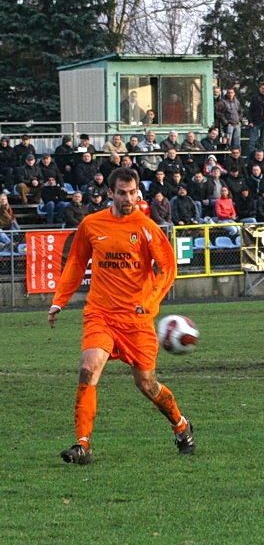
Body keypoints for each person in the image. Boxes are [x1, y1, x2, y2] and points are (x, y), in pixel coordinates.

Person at [48, 167, 195, 464]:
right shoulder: (91, 224)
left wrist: (149, 301)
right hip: (100, 313)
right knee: (89, 368)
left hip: (137, 319)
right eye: (121, 193)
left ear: (137, 192)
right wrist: (59, 301)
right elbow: (76, 263)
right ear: (110, 193)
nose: (127, 198)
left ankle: (181, 425)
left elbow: (167, 269)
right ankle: (83, 445)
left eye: (132, 193)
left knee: (146, 384)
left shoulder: (146, 227)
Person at [247, 82, 264, 151]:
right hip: (255, 122)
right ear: (259, 89)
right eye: (262, 88)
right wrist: (250, 121)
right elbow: (250, 111)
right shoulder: (254, 98)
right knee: (252, 141)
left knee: (263, 142)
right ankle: (250, 159)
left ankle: (262, 158)